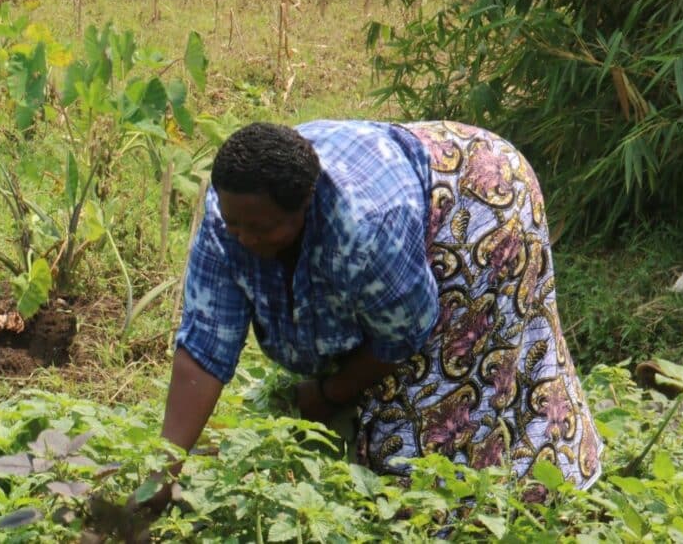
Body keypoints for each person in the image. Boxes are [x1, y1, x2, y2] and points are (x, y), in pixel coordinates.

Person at [151, 120, 603, 503]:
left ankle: (529, 497)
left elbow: (402, 337)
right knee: (371, 421)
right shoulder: (228, 217)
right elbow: (204, 346)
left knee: (431, 419)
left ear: (306, 205)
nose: (245, 239)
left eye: (263, 229)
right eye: (236, 225)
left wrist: (326, 394)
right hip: (395, 189)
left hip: (481, 203)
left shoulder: (366, 227)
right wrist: (161, 475)